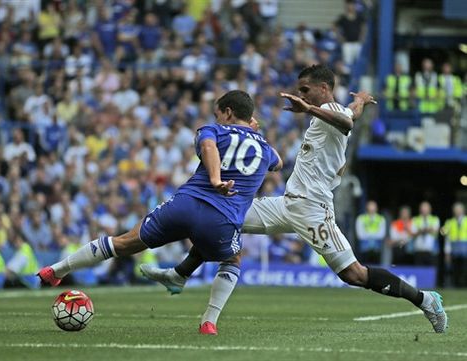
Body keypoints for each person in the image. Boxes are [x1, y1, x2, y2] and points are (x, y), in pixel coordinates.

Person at [142, 65, 447, 335]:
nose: (300, 95)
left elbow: (347, 122)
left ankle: (425, 299)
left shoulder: (331, 113)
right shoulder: (337, 111)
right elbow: (352, 114)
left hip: (314, 211)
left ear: (323, 89)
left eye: (305, 90)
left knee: (355, 275)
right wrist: (361, 101)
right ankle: (179, 276)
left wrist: (311, 108)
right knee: (222, 214)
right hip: (287, 204)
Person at [37, 91, 283, 311]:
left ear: (228, 112)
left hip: (184, 205)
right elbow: (278, 163)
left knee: (123, 242)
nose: (216, 118)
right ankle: (209, 320)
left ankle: (57, 270)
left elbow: (208, 146)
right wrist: (253, 133)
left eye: (218, 114)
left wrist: (216, 178)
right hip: (222, 218)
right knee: (232, 258)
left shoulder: (213, 130)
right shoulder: (265, 147)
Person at [441, 202, 467, 287]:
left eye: (459, 210)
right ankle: (456, 284)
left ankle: (464, 284)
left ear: (463, 210)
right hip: (454, 249)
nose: (458, 212)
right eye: (456, 210)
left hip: (465, 248)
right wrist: (447, 252)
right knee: (455, 268)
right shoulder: (449, 222)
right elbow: (444, 235)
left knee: (464, 268)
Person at [355, 200, 387, 265]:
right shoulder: (361, 218)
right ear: (367, 207)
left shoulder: (381, 219)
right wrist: (372, 235)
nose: (372, 208)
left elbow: (382, 235)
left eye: (373, 206)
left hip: (377, 245)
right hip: (364, 244)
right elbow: (360, 235)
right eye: (370, 206)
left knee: (375, 247)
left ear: (376, 208)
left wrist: (369, 235)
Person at [411, 201, 440, 265]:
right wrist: (427, 229)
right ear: (420, 209)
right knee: (419, 270)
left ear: (430, 209)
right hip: (418, 250)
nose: (424, 210)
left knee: (431, 270)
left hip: (431, 250)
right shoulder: (415, 219)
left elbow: (436, 231)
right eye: (422, 208)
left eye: (426, 208)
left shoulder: (435, 219)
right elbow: (413, 233)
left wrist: (421, 230)